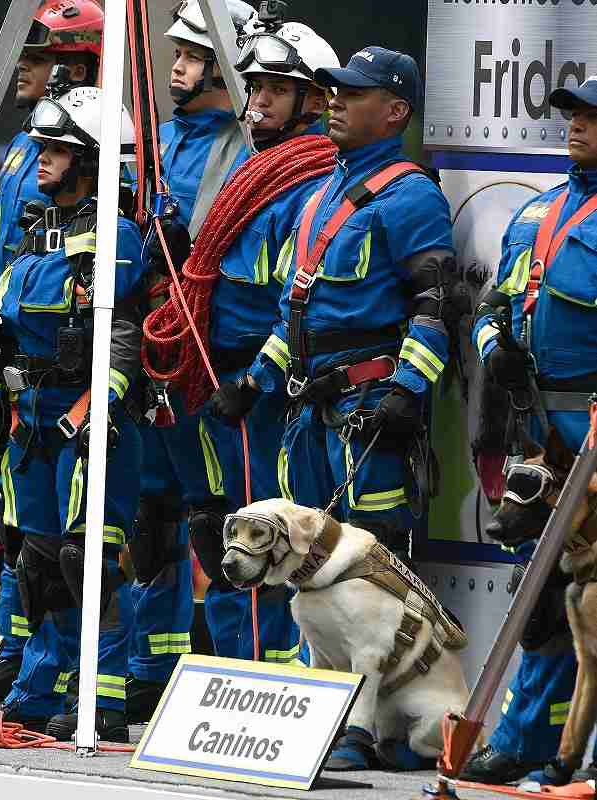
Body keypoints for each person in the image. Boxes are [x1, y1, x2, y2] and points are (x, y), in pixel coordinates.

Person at [243, 46, 456, 770]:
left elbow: (435, 306)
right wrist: (254, 378)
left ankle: (362, 732)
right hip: (308, 411)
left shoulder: (409, 195)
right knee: (300, 572)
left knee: (369, 573)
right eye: (332, 91)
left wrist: (407, 390)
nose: (334, 100)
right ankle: (312, 714)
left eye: (353, 93)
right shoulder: (319, 192)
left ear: (394, 111)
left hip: (367, 412)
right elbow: (294, 311)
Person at [0, 85, 145, 742]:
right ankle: (34, 685)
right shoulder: (34, 234)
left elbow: (122, 336)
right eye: (42, 146)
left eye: (56, 149)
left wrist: (94, 412)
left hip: (84, 420)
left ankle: (100, 696)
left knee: (89, 561)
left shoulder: (115, 235)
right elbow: (11, 327)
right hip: (29, 418)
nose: (39, 158)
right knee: (36, 561)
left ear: (91, 161)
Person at [188, 20, 340, 666]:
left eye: (277, 90)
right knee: (218, 527)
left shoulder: (306, 179)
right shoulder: (250, 169)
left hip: (259, 390)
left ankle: (262, 678)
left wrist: (254, 383)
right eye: (254, 89)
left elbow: (294, 303)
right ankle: (231, 669)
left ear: (313, 101)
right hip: (217, 379)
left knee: (262, 535)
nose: (259, 103)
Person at [125, 0, 257, 726]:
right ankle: (154, 669)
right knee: (150, 519)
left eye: (191, 55)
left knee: (219, 522)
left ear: (224, 64)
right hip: (153, 355)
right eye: (173, 54)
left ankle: (240, 676)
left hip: (213, 363)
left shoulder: (248, 151)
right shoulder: (157, 141)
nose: (174, 68)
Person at [463, 78, 597, 786]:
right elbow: (492, 306)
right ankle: (522, 740)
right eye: (572, 114)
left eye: (590, 117)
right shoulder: (537, 211)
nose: (574, 126)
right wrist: (497, 354)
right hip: (540, 429)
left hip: (594, 426)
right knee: (542, 593)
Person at [0, 0, 104, 707]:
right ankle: (14, 656)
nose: (22, 68)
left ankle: (71, 683)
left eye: (37, 55)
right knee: (18, 535)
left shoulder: (96, 152)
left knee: (74, 548)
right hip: (14, 376)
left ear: (81, 60)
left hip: (70, 396)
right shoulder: (29, 152)